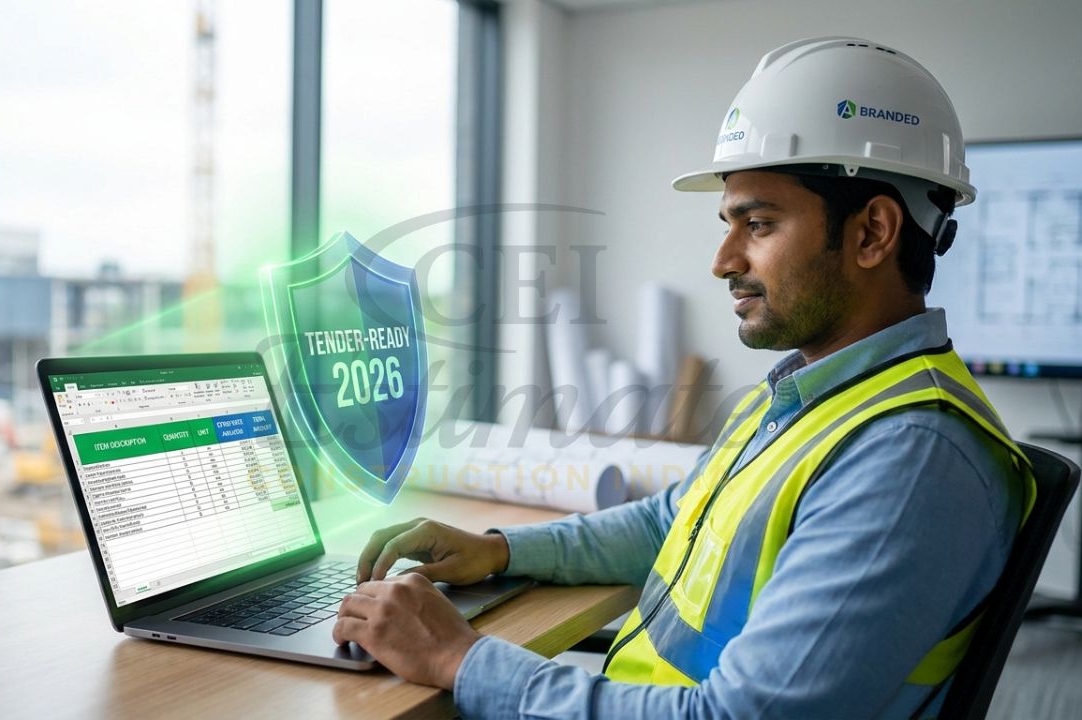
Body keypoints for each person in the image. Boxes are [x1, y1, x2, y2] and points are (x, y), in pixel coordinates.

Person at [331, 36, 1036, 718]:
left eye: (756, 224)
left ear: (872, 234)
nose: (723, 259)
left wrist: (460, 659)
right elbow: (677, 519)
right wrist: (499, 549)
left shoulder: (908, 457)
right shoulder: (813, 393)